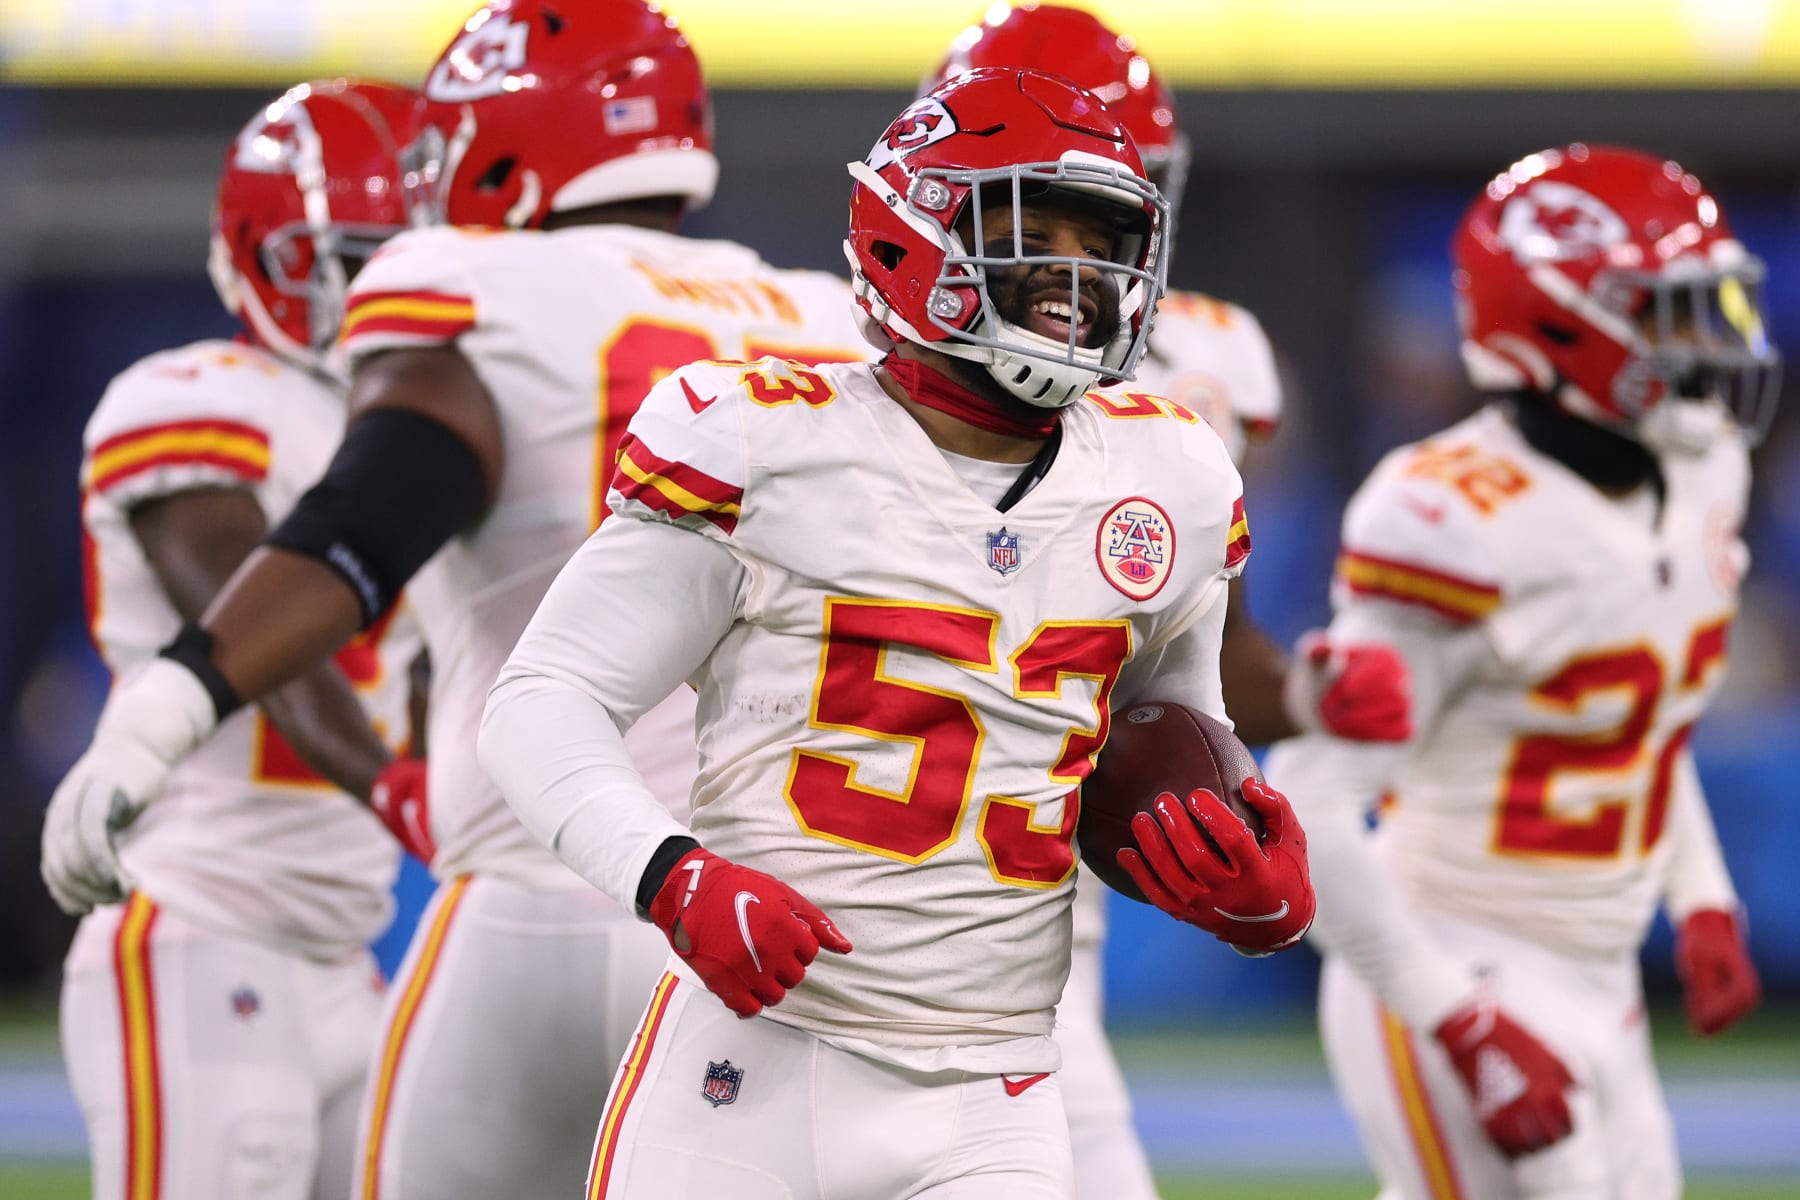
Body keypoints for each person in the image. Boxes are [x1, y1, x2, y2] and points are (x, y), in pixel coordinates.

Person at [41, 1, 873, 1195]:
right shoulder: (827, 322)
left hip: (530, 897)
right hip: (756, 923)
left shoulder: (473, 285)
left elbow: (366, 525)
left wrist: (161, 709)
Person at [478, 67, 1317, 1199]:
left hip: (997, 1094)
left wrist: (1237, 862)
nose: (1081, 275)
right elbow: (542, 701)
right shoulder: (767, 443)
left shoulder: (1168, 475)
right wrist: (669, 875)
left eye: (1105, 239)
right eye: (1038, 229)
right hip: (746, 1070)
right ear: (910, 236)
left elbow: (1172, 734)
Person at [924, 7, 1413, 1196]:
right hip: (863, 870)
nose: (1077, 241)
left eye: (1114, 192)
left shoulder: (1207, 364)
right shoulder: (849, 365)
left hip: (1042, 908)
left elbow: (1205, 663)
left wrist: (1302, 694)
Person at [1264, 143, 1776, 1198]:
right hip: (1457, 956)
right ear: (1557, 324)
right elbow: (1310, 805)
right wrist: (1458, 1014)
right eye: (1668, 310)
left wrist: (1704, 897)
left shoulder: (1701, 469)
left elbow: (1636, 727)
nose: (1710, 340)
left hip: (1601, 975)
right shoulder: (1452, 513)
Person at [43, 79, 430, 1200]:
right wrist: (408, 794)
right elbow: (256, 637)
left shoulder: (413, 434)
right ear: (275, 257)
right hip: (204, 917)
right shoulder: (194, 395)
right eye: (360, 260)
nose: (384, 295)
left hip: (346, 947)